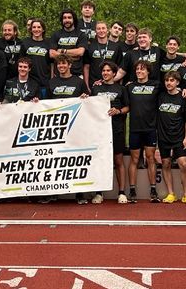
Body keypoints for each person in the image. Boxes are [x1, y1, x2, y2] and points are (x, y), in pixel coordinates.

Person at [43, 54, 89, 204]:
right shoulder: (52, 82)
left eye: (64, 64)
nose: (61, 67)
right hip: (56, 128)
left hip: (76, 126)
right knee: (55, 160)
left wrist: (85, 98)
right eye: (59, 64)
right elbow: (46, 105)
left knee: (75, 159)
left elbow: (88, 102)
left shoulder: (79, 82)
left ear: (70, 65)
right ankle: (54, 193)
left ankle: (79, 193)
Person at [91, 61, 130, 204]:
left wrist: (118, 111)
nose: (105, 73)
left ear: (114, 73)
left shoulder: (121, 89)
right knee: (101, 160)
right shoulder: (96, 88)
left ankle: (121, 192)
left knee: (118, 160)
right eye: (103, 71)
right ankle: (99, 193)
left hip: (117, 129)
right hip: (99, 131)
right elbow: (89, 106)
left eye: (108, 71)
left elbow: (127, 107)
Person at [157, 71, 186, 205]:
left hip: (179, 136)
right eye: (167, 80)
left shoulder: (184, 98)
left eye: (172, 80)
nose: (169, 83)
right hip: (163, 136)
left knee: (183, 163)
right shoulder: (160, 96)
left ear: (177, 82)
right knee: (166, 164)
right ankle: (171, 193)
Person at [126, 60, 162, 203]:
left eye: (142, 69)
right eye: (137, 70)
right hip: (135, 128)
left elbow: (172, 87)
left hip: (150, 128)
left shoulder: (156, 85)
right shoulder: (129, 87)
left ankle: (153, 189)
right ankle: (132, 190)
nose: (139, 72)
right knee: (134, 159)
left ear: (148, 71)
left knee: (150, 158)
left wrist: (182, 90)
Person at [49, 9, 88, 78]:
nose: (67, 20)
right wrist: (73, 56)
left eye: (69, 17)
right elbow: (52, 54)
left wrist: (62, 51)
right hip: (59, 75)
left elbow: (80, 52)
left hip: (77, 74)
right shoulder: (55, 34)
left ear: (74, 19)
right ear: (62, 20)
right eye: (64, 18)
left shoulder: (81, 35)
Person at [84, 20, 122, 86]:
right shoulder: (90, 47)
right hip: (94, 83)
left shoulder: (116, 47)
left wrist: (115, 81)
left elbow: (119, 68)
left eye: (103, 28)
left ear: (108, 30)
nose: (101, 31)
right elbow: (86, 67)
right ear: (95, 31)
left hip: (111, 83)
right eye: (98, 29)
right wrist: (86, 85)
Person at [19, 18, 51, 96]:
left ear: (43, 29)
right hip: (29, 82)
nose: (36, 29)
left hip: (44, 81)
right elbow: (21, 62)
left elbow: (52, 63)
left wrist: (52, 78)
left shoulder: (48, 43)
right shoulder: (25, 42)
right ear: (30, 29)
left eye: (39, 27)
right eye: (34, 27)